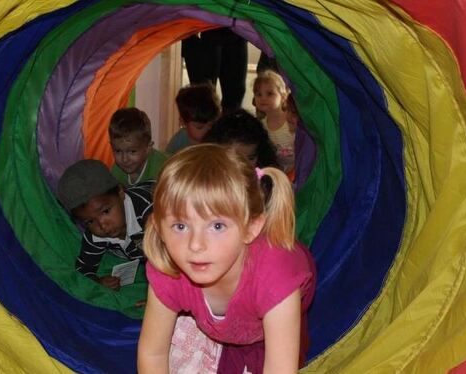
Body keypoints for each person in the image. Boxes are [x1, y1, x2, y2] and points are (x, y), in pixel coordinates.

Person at [137, 144, 316, 373]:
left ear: (251, 228)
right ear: (159, 228)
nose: (196, 245)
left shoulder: (276, 281)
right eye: (180, 226)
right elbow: (153, 352)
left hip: (274, 298)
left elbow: (280, 368)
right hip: (232, 312)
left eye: (217, 226)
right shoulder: (169, 269)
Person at [56, 159, 154, 290]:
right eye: (89, 221)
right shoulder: (94, 236)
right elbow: (84, 269)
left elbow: (175, 256)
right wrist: (98, 281)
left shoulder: (150, 214)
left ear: (120, 192)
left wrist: (159, 297)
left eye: (106, 211)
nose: (102, 225)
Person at [181, 28, 247, 113]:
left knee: (235, 97)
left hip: (237, 30)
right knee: (204, 97)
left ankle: (230, 124)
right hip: (208, 29)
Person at [109, 108, 167, 186]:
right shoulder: (116, 171)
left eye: (132, 151)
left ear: (148, 148)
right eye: (118, 151)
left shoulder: (162, 170)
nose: (124, 159)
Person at [203, 109, 279, 168]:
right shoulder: (209, 182)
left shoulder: (263, 177)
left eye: (251, 158)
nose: (245, 166)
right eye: (237, 159)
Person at [253, 70, 295, 174]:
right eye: (259, 94)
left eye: (269, 94)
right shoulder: (260, 126)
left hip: (295, 173)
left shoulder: (291, 121)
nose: (263, 98)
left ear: (283, 96)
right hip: (274, 174)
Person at [165, 84, 221, 155]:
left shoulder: (217, 141)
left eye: (211, 125)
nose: (208, 129)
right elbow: (167, 162)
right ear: (183, 122)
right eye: (199, 127)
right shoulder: (179, 141)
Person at [284, 93, 317, 190]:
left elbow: (304, 174)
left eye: (294, 113)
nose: (288, 117)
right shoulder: (302, 136)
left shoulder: (308, 141)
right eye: (287, 110)